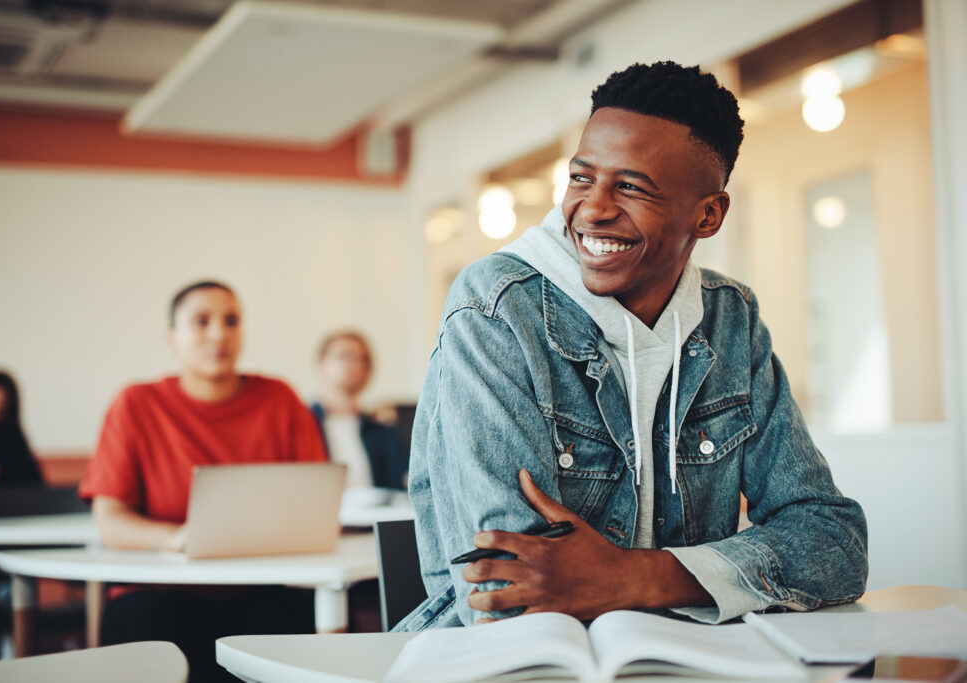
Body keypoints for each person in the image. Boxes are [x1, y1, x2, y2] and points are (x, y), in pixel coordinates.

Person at [399, 61, 868, 631]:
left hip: (687, 656)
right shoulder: (497, 306)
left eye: (631, 186)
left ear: (709, 215)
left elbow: (834, 542)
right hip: (518, 664)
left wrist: (634, 576)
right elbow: (505, 591)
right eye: (581, 177)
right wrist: (701, 576)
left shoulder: (730, 320)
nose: (593, 208)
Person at [79, 280, 327, 682]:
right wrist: (174, 538)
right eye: (201, 321)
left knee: (289, 621)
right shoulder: (135, 404)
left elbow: (316, 501)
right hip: (157, 592)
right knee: (147, 626)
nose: (219, 334)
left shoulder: (280, 399)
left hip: (259, 587)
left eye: (231, 321)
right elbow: (110, 522)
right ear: (171, 338)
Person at [310, 331, 406, 493]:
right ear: (321, 364)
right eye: (344, 356)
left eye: (362, 359)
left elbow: (396, 486)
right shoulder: (302, 424)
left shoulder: (381, 430)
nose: (355, 364)